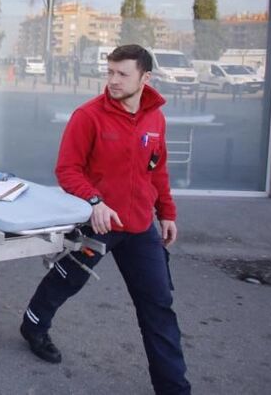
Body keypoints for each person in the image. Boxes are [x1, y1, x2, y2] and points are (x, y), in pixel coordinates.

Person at [18, 44, 190, 395]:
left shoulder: (155, 117)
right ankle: (33, 326)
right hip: (96, 222)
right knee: (66, 282)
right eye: (110, 72)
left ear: (145, 77)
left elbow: (156, 169)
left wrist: (167, 213)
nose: (112, 80)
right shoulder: (89, 115)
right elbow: (67, 169)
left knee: (158, 308)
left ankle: (173, 388)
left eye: (122, 74)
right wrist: (94, 201)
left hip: (141, 227)